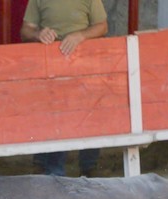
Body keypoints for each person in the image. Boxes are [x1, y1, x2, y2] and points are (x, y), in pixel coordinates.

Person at [20, 0, 108, 178]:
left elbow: (102, 26)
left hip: (84, 64)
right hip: (51, 65)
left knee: (89, 113)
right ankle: (51, 168)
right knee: (54, 114)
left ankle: (89, 168)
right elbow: (25, 30)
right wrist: (39, 34)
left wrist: (80, 36)